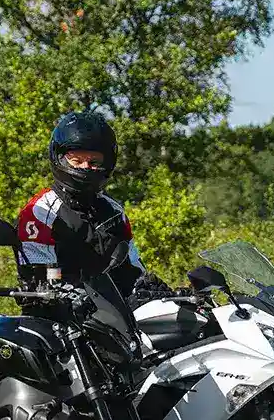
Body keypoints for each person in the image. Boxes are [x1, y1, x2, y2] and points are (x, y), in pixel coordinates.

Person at [14, 111, 168, 315]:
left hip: (116, 319)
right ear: (59, 159)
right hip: (61, 322)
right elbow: (41, 276)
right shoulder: (40, 212)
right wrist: (71, 291)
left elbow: (132, 266)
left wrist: (146, 287)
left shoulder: (113, 211)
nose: (86, 168)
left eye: (94, 162)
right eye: (77, 161)